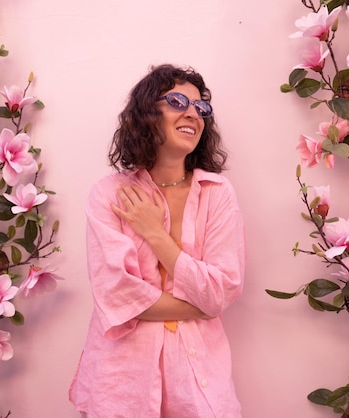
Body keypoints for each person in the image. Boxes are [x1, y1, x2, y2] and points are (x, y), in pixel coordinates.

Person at [69, 64, 246, 418]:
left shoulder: (217, 193)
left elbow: (223, 290)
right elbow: (116, 296)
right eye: (178, 101)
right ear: (148, 112)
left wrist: (154, 233)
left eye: (201, 108)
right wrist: (203, 302)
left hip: (198, 380)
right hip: (121, 382)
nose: (193, 114)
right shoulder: (110, 194)